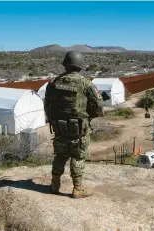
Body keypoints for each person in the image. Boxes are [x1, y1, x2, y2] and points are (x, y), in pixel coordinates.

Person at [44, 51, 104, 199]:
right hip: (79, 129)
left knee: (60, 155)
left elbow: (47, 105)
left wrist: (54, 120)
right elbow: (98, 105)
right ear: (80, 66)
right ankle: (77, 189)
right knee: (78, 157)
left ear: (65, 64)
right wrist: (91, 114)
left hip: (59, 129)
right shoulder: (85, 83)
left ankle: (54, 185)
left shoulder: (53, 83)